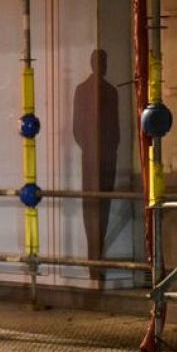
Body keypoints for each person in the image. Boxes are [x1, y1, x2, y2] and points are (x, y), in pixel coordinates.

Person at [72, 49, 120, 282]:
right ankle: (95, 263)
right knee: (96, 208)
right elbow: (78, 129)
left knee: (97, 209)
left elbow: (79, 129)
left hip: (98, 158)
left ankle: (96, 262)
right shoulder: (88, 91)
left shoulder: (107, 92)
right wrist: (96, 149)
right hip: (97, 159)